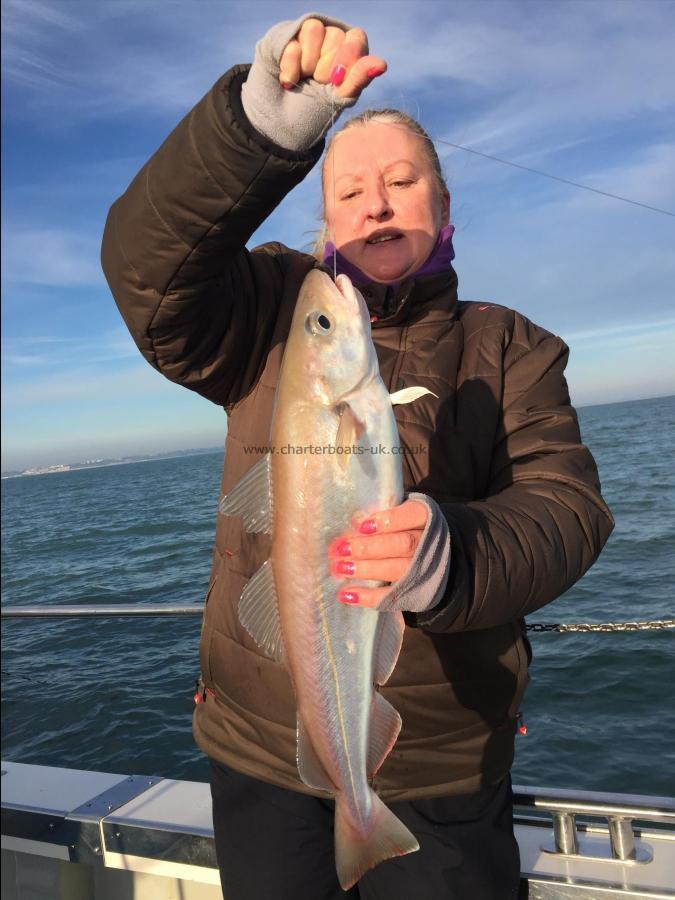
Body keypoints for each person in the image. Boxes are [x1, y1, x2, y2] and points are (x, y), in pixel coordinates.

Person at [101, 13, 614, 900]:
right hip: (258, 754)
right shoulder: (263, 311)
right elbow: (146, 266)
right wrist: (258, 126)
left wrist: (452, 551)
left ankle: (365, 802)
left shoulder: (514, 348)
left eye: (401, 181)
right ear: (326, 217)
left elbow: (566, 510)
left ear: (443, 206)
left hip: (442, 761)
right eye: (347, 191)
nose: (374, 204)